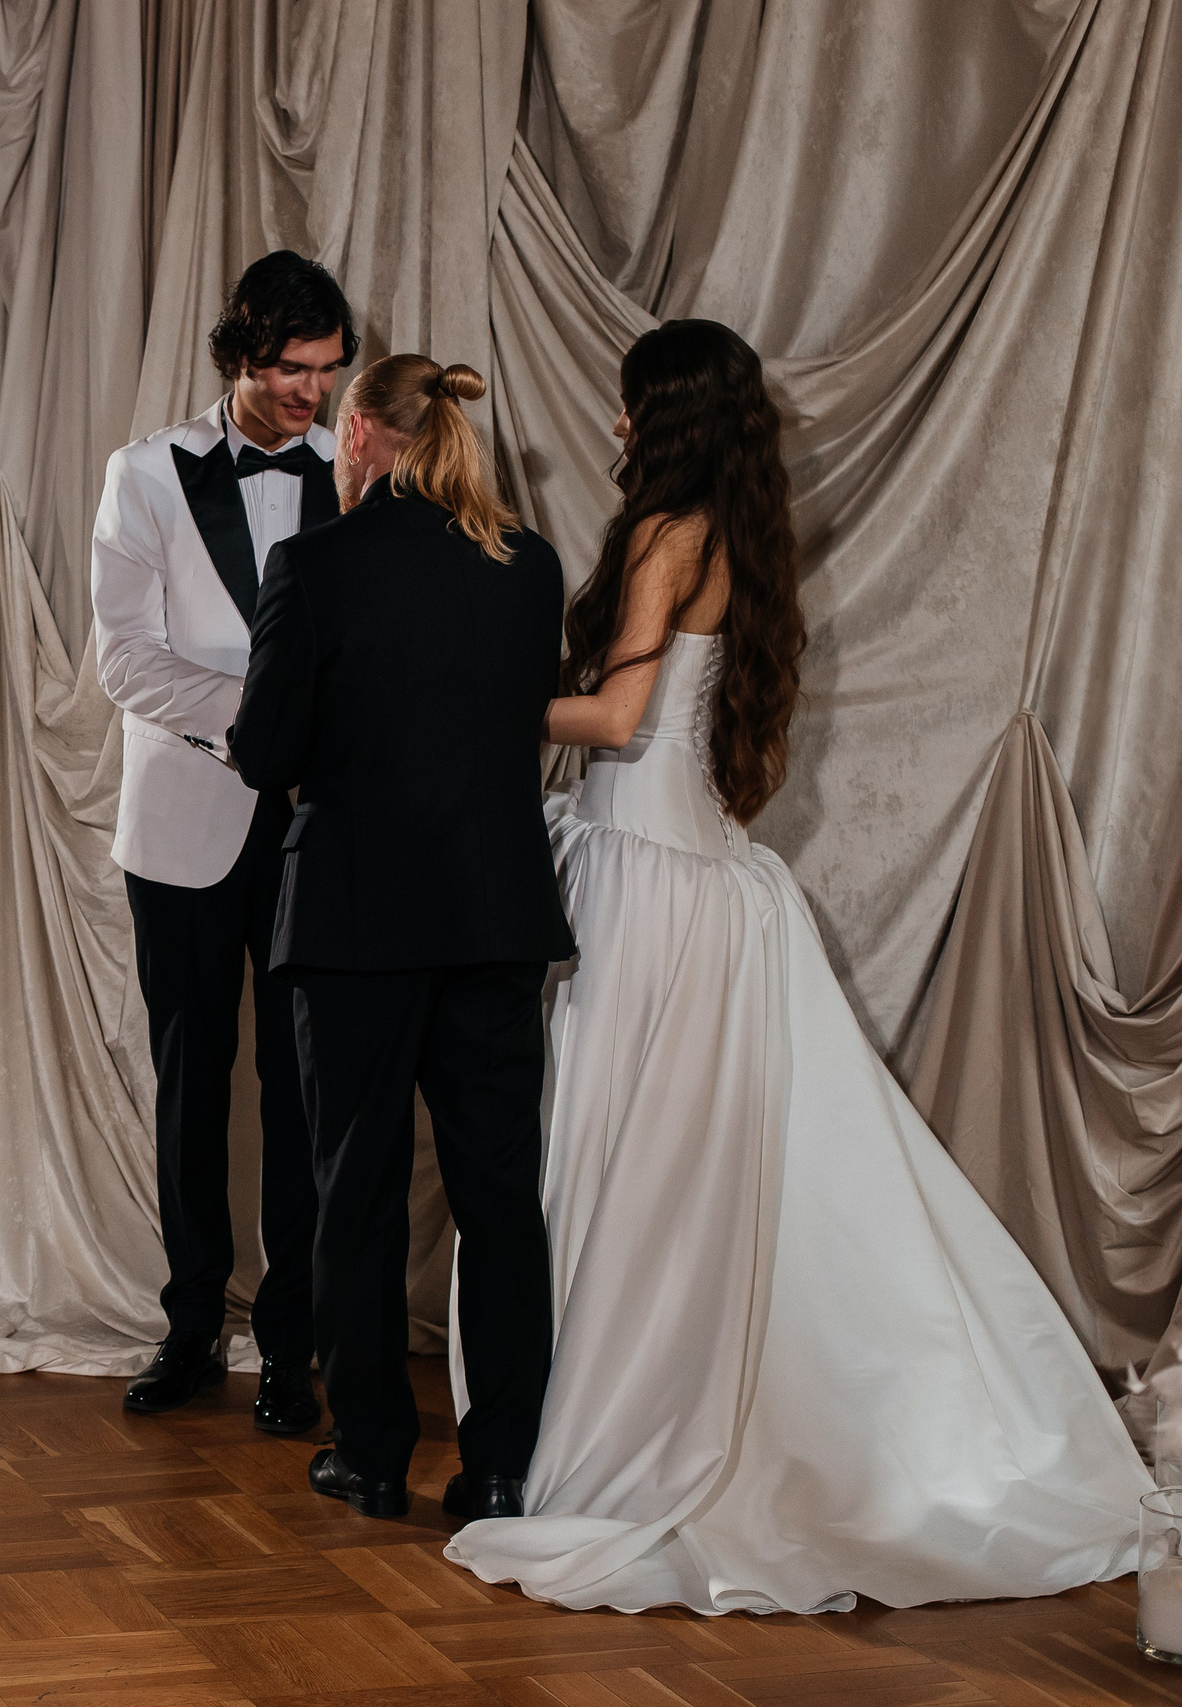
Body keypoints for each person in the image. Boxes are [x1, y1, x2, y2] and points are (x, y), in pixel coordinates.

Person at [443, 319, 1148, 1613]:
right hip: (687, 869)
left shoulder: (666, 535)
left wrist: (448, 701)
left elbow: (615, 718)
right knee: (668, 1165)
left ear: (669, 418)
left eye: (630, 405)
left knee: (631, 1160)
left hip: (647, 883)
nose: (614, 423)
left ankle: (621, 1416)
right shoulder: (730, 533)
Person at [230, 354, 570, 1522]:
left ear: (360, 435)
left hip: (354, 920)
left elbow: (265, 753)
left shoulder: (315, 563)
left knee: (357, 1192)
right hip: (491, 916)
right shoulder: (532, 566)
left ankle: (372, 1456)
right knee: (499, 1197)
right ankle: (503, 1467)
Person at [90, 250, 352, 1433]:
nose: (314, 394)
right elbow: (125, 660)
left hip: (316, 831)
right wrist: (264, 724)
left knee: (302, 1093)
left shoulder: (352, 474)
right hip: (182, 826)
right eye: (295, 371)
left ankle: (291, 1347)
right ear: (240, 358)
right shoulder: (144, 473)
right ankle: (191, 1326)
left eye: (328, 372)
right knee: (190, 1085)